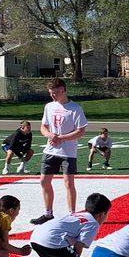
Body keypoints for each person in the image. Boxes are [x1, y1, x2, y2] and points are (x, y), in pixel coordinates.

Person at [31, 78, 88, 225]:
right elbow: (43, 126)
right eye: (50, 93)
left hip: (68, 152)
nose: (52, 96)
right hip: (51, 150)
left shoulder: (75, 108)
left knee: (68, 183)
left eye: (55, 92)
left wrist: (60, 138)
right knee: (44, 181)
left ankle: (72, 214)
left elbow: (80, 131)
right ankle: (48, 213)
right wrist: (50, 135)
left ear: (63, 90)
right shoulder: (49, 106)